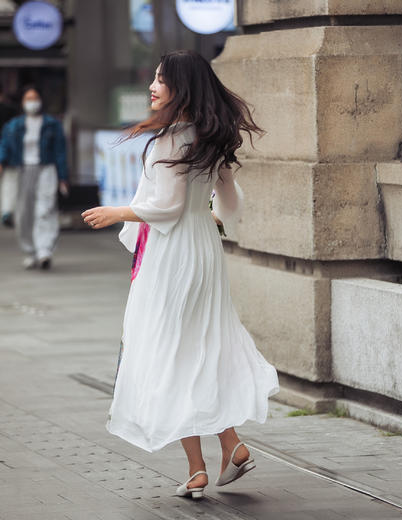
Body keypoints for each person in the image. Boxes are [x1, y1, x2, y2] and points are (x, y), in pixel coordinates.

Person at [81, 50, 280, 500]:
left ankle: (198, 467)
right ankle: (230, 447)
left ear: (181, 87)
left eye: (160, 79)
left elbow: (166, 207)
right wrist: (206, 215)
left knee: (169, 352)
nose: (153, 85)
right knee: (197, 347)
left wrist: (118, 211)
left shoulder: (171, 139)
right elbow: (230, 203)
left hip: (172, 254)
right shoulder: (211, 138)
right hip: (202, 251)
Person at [0, 85, 69, 269]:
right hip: (22, 170)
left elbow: (60, 151)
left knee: (45, 209)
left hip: (46, 169)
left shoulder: (52, 124)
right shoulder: (13, 125)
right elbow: (4, 146)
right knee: (24, 213)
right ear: (22, 102)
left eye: (35, 97)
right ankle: (30, 251)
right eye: (28, 98)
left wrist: (63, 177)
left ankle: (44, 250)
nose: (32, 102)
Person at [0, 87, 18, 227]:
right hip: (10, 153)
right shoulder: (11, 111)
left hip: (6, 151)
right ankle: (7, 211)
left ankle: (6, 211)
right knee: (9, 183)